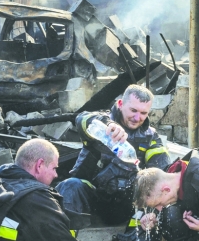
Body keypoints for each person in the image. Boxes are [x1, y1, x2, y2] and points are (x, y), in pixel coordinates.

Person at [57, 84, 170, 229]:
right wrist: (108, 125)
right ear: (120, 104)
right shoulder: (101, 123)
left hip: (126, 203)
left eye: (143, 113)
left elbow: (162, 172)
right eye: (133, 110)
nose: (137, 117)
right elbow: (81, 119)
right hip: (93, 197)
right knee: (71, 185)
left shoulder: (151, 137)